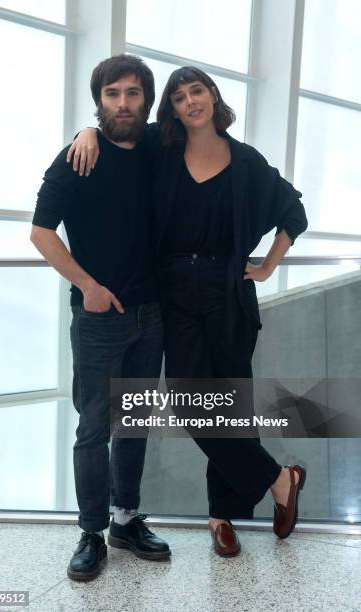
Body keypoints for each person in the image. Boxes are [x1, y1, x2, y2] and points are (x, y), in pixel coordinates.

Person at [67, 64, 308, 558]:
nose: (190, 101)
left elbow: (293, 214)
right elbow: (118, 124)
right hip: (173, 294)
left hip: (228, 291)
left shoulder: (246, 162)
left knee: (228, 405)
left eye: (197, 90)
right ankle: (280, 479)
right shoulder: (163, 149)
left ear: (214, 96)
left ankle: (222, 517)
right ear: (171, 109)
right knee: (192, 402)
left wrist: (266, 267)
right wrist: (85, 129)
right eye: (178, 97)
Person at [30, 55, 171, 583]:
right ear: (100, 101)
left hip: (151, 313)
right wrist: (87, 285)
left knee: (132, 422)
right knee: (93, 428)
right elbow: (42, 232)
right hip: (97, 318)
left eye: (133, 93)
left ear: (146, 101)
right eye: (113, 94)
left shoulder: (159, 146)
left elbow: (203, 132)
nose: (123, 103)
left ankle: (125, 519)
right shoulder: (76, 158)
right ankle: (91, 531)